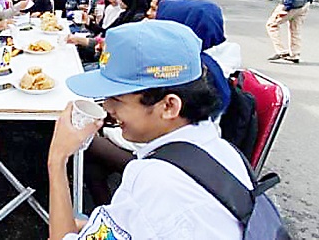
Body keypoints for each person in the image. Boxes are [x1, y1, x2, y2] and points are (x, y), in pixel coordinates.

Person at [48, 20, 253, 239]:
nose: (107, 107)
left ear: (169, 106)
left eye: (117, 99)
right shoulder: (225, 152)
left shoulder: (153, 182)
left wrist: (57, 158)